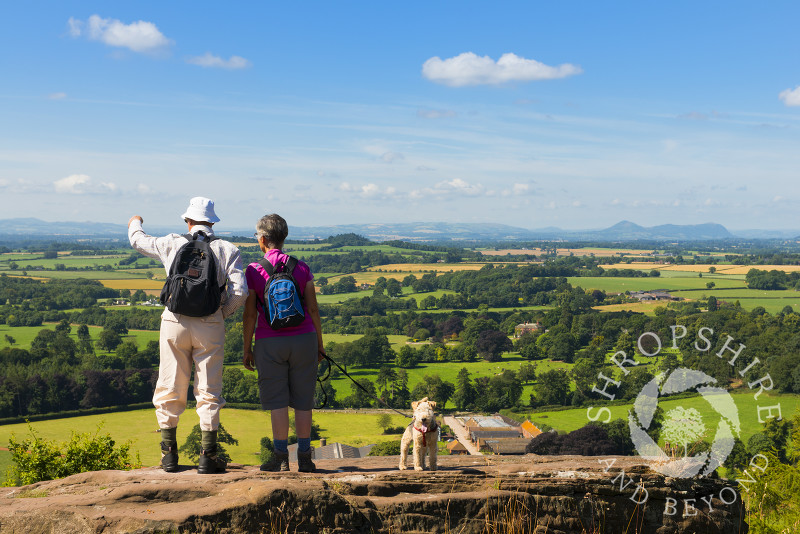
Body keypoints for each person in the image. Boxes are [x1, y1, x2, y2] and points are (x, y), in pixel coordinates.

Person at [128, 197, 247, 474]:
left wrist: (136, 221)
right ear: (213, 222)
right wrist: (220, 313)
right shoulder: (228, 249)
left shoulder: (172, 242)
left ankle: (169, 457)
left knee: (170, 385)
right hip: (210, 323)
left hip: (174, 320)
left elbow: (137, 241)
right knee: (208, 389)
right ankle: (208, 458)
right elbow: (240, 292)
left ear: (187, 220)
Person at [242, 213, 324, 473]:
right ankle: (305, 458)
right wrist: (319, 345)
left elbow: (250, 314)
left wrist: (247, 348)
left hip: (269, 342)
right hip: (304, 340)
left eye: (258, 237)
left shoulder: (254, 271)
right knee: (303, 401)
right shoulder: (302, 268)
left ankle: (279, 458)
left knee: (277, 402)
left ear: (263, 239)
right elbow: (313, 309)